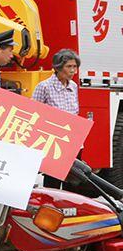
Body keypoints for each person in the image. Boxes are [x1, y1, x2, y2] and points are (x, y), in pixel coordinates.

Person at [32, 48, 80, 188]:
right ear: (58, 68)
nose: (73, 71)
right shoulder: (44, 87)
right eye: (69, 66)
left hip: (72, 139)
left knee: (72, 179)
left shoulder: (73, 86)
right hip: (54, 141)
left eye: (75, 67)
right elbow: (35, 112)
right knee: (53, 180)